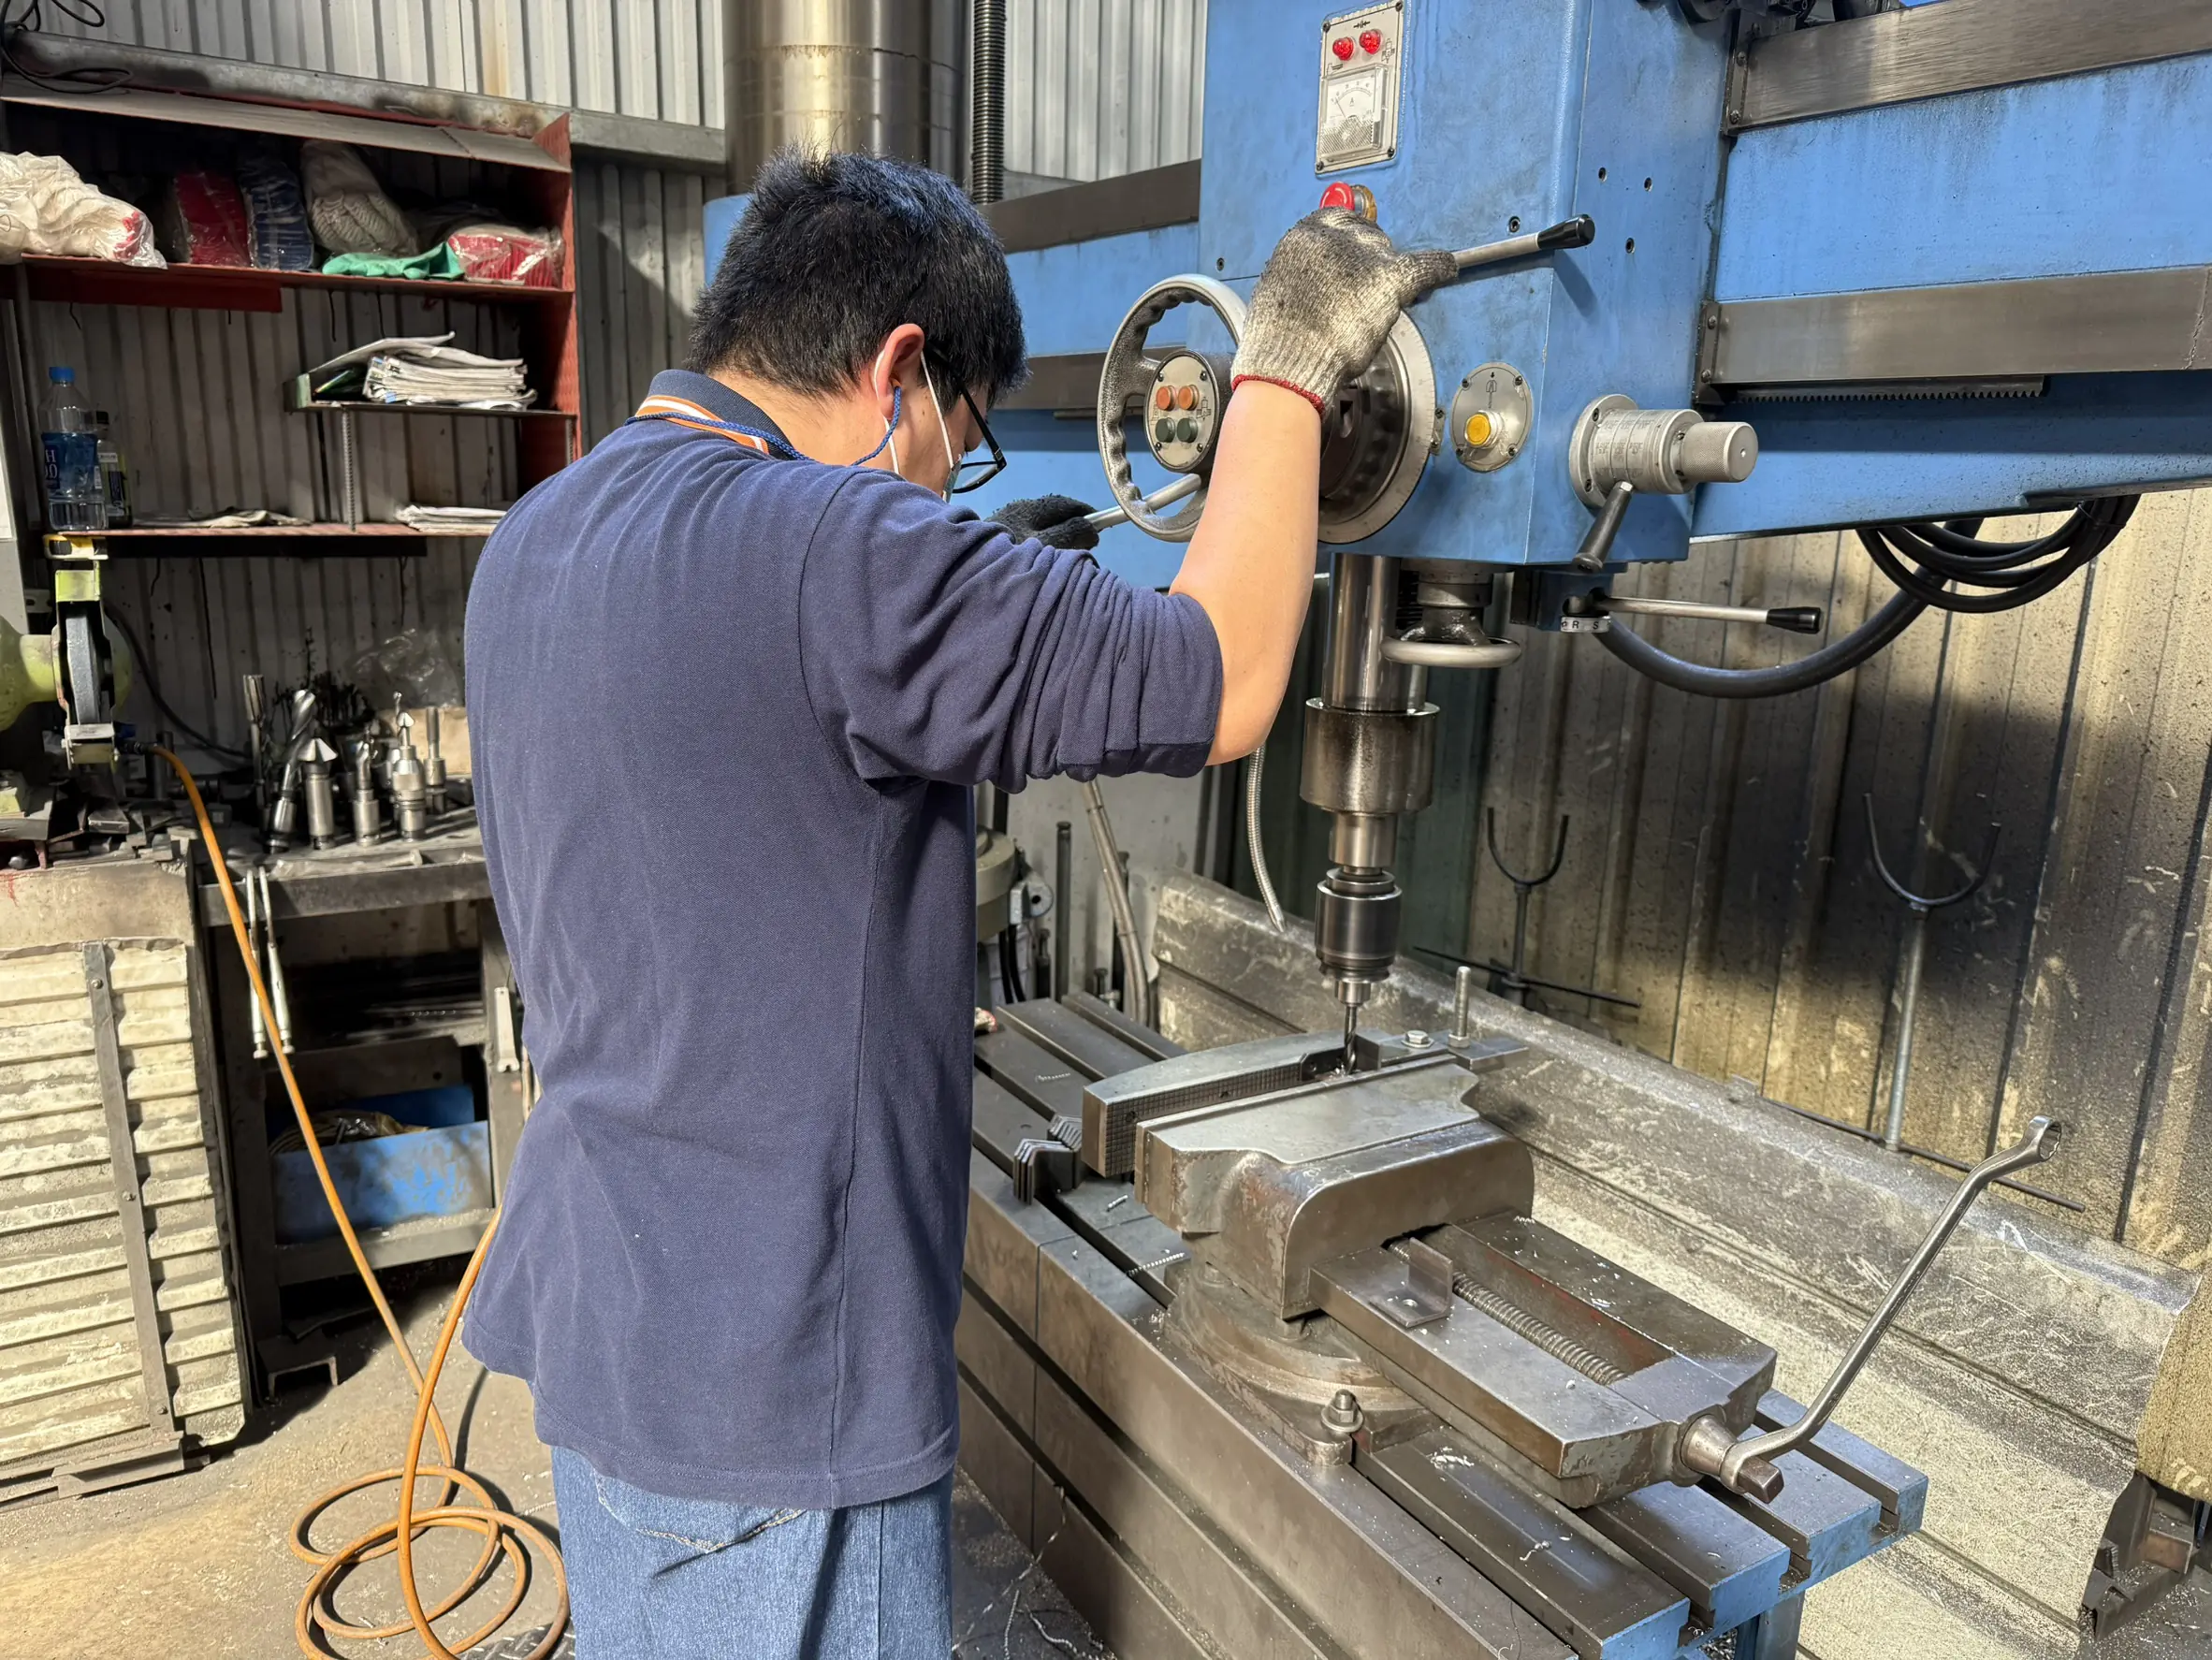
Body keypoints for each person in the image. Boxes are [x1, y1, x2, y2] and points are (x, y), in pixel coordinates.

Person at [461, 149, 1452, 1658]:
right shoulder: (843, 552)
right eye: (960, 445)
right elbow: (1231, 673)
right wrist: (1290, 368)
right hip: (780, 1403)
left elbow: (701, 848)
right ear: (899, 372)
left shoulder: (539, 535)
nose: (944, 488)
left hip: (611, 1330)